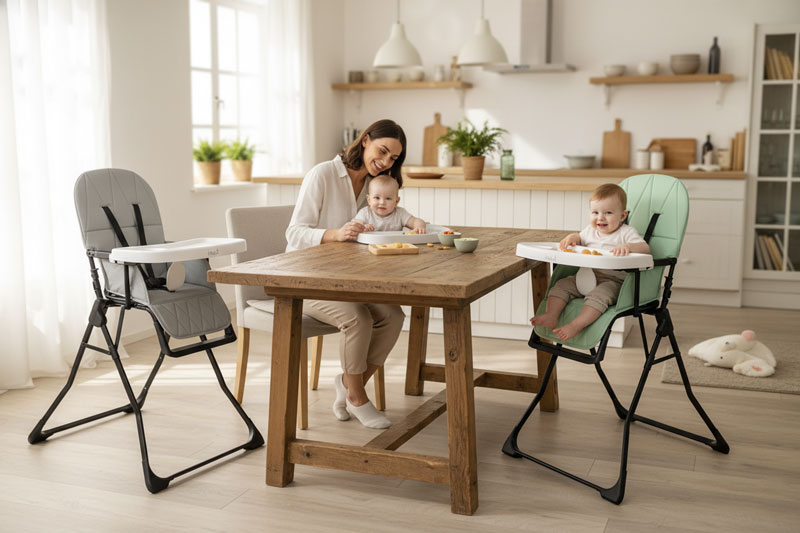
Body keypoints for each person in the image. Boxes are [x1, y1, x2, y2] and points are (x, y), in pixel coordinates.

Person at [285, 119, 408, 429]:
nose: (385, 162)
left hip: (346, 279)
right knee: (358, 318)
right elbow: (294, 233)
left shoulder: (374, 186)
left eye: (393, 159)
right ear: (364, 140)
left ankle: (347, 383)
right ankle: (357, 397)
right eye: (382, 151)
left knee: (394, 316)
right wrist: (335, 234)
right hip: (304, 277)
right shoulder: (323, 174)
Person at [530, 183, 651, 342]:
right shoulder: (590, 231)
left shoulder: (626, 233)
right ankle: (551, 315)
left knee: (599, 296)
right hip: (584, 276)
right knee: (561, 285)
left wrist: (628, 247)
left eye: (608, 213)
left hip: (612, 280)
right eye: (595, 212)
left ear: (622, 216)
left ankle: (576, 325)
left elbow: (645, 248)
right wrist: (572, 238)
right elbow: (579, 238)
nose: (600, 217)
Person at [353, 174, 427, 233]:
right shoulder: (365, 213)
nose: (382, 202)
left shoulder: (400, 213)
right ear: (369, 200)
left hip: (394, 247)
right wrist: (363, 227)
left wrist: (419, 227)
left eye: (388, 198)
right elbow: (355, 225)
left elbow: (416, 221)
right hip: (369, 247)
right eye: (377, 198)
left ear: (396, 201)